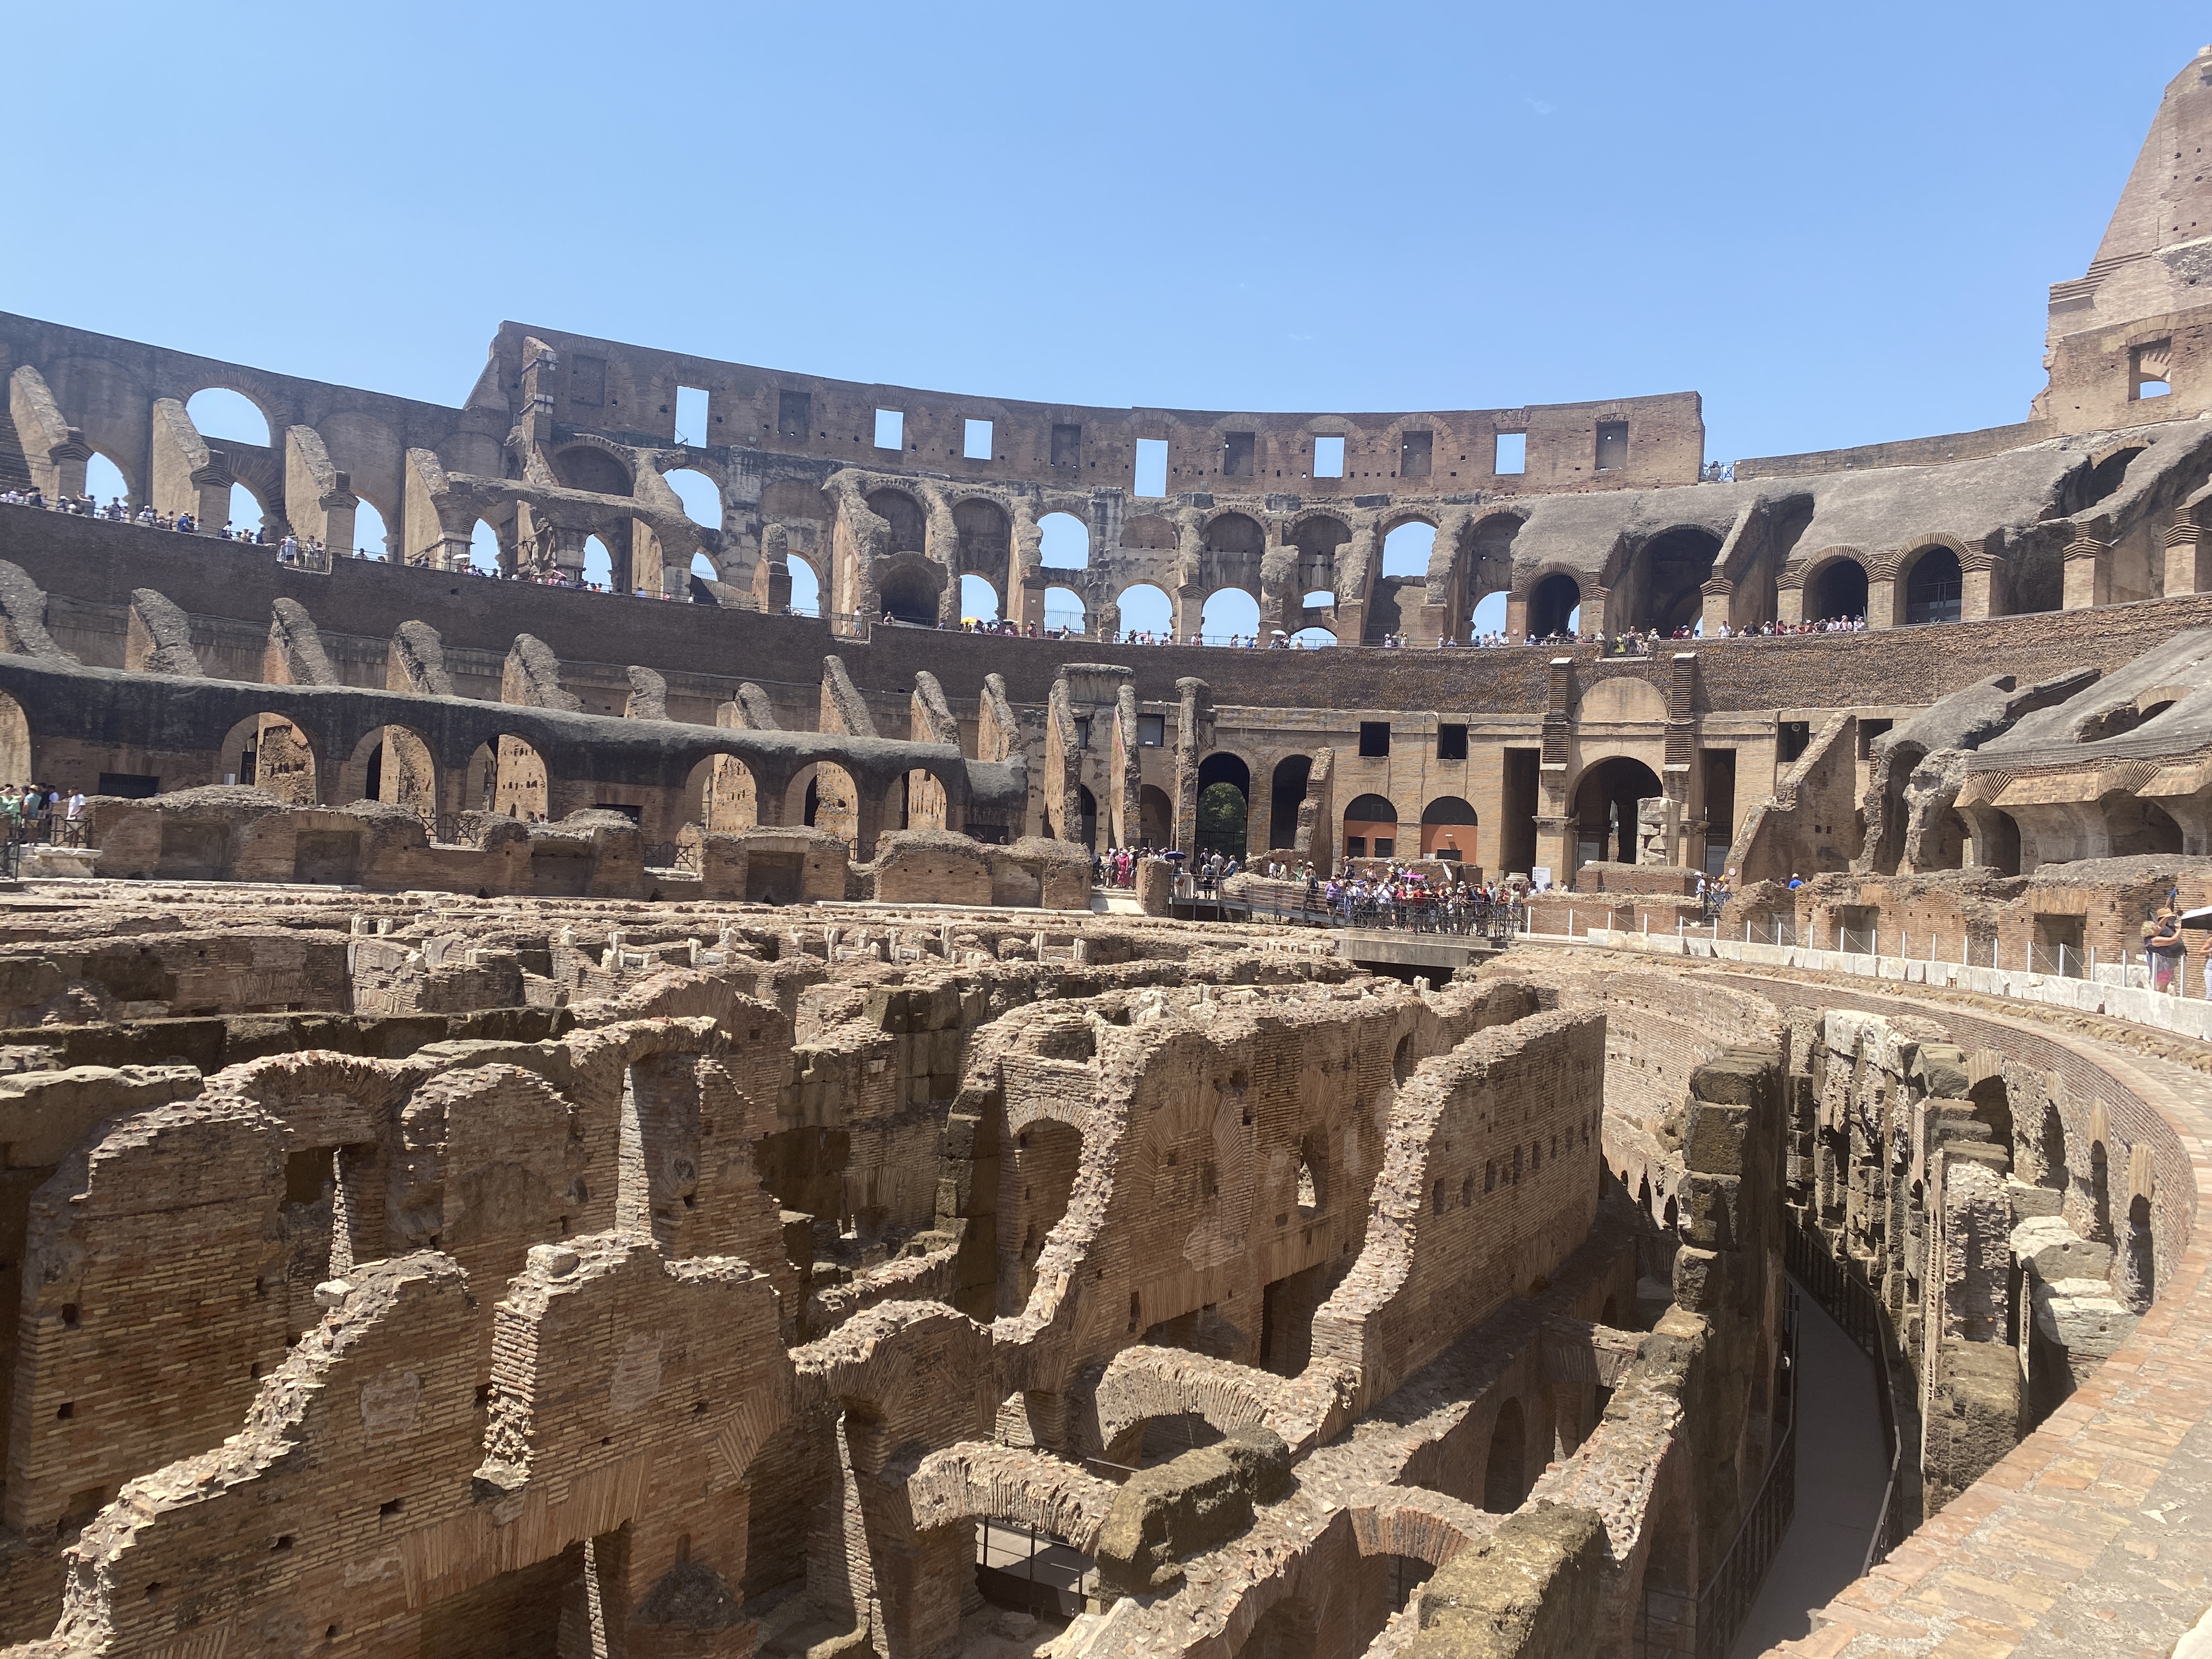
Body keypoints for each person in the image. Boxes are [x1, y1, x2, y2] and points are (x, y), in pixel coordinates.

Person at [2148, 909, 2186, 994]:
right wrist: (2179, 930)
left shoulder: (2170, 928)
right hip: (2162, 963)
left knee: (2165, 984)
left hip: (2169, 962)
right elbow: (2173, 939)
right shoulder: (2157, 932)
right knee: (2161, 986)